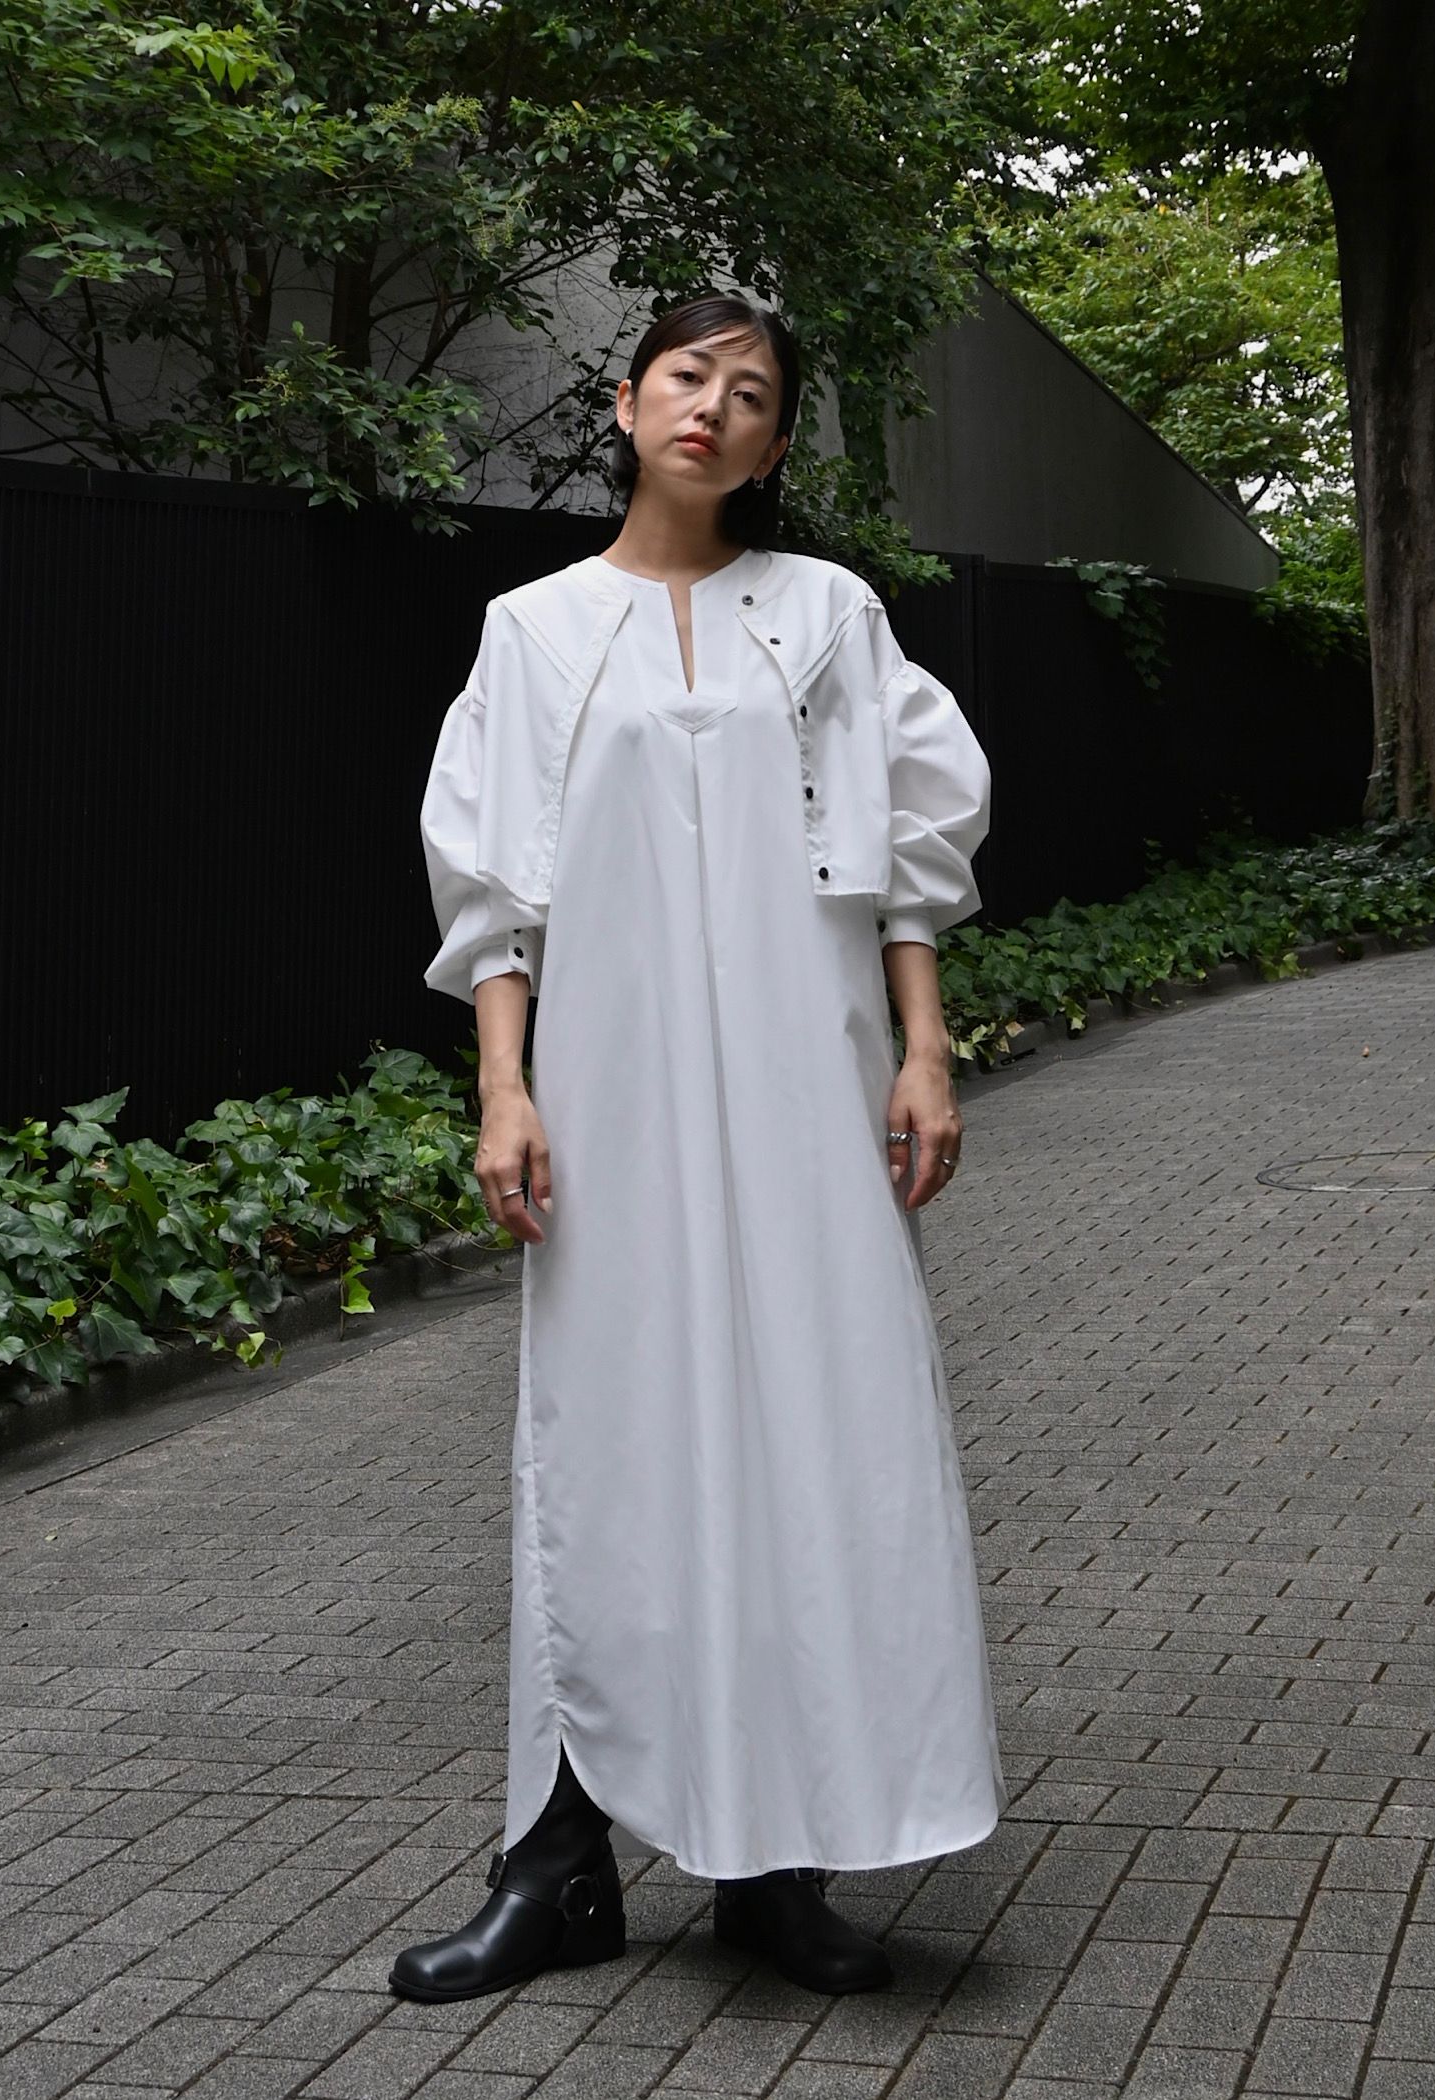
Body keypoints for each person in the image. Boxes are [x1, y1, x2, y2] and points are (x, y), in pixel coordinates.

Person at [389, 291, 1007, 2007]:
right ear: (626, 400)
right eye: (687, 376)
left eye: (750, 394)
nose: (713, 408)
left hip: (812, 1083)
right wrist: (505, 1088)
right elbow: (495, 887)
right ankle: (558, 1860)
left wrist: (926, 1053)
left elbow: (901, 850)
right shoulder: (532, 630)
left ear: (776, 442)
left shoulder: (829, 615)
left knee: (814, 1426)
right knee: (605, 1437)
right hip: (613, 1089)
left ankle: (772, 1858)